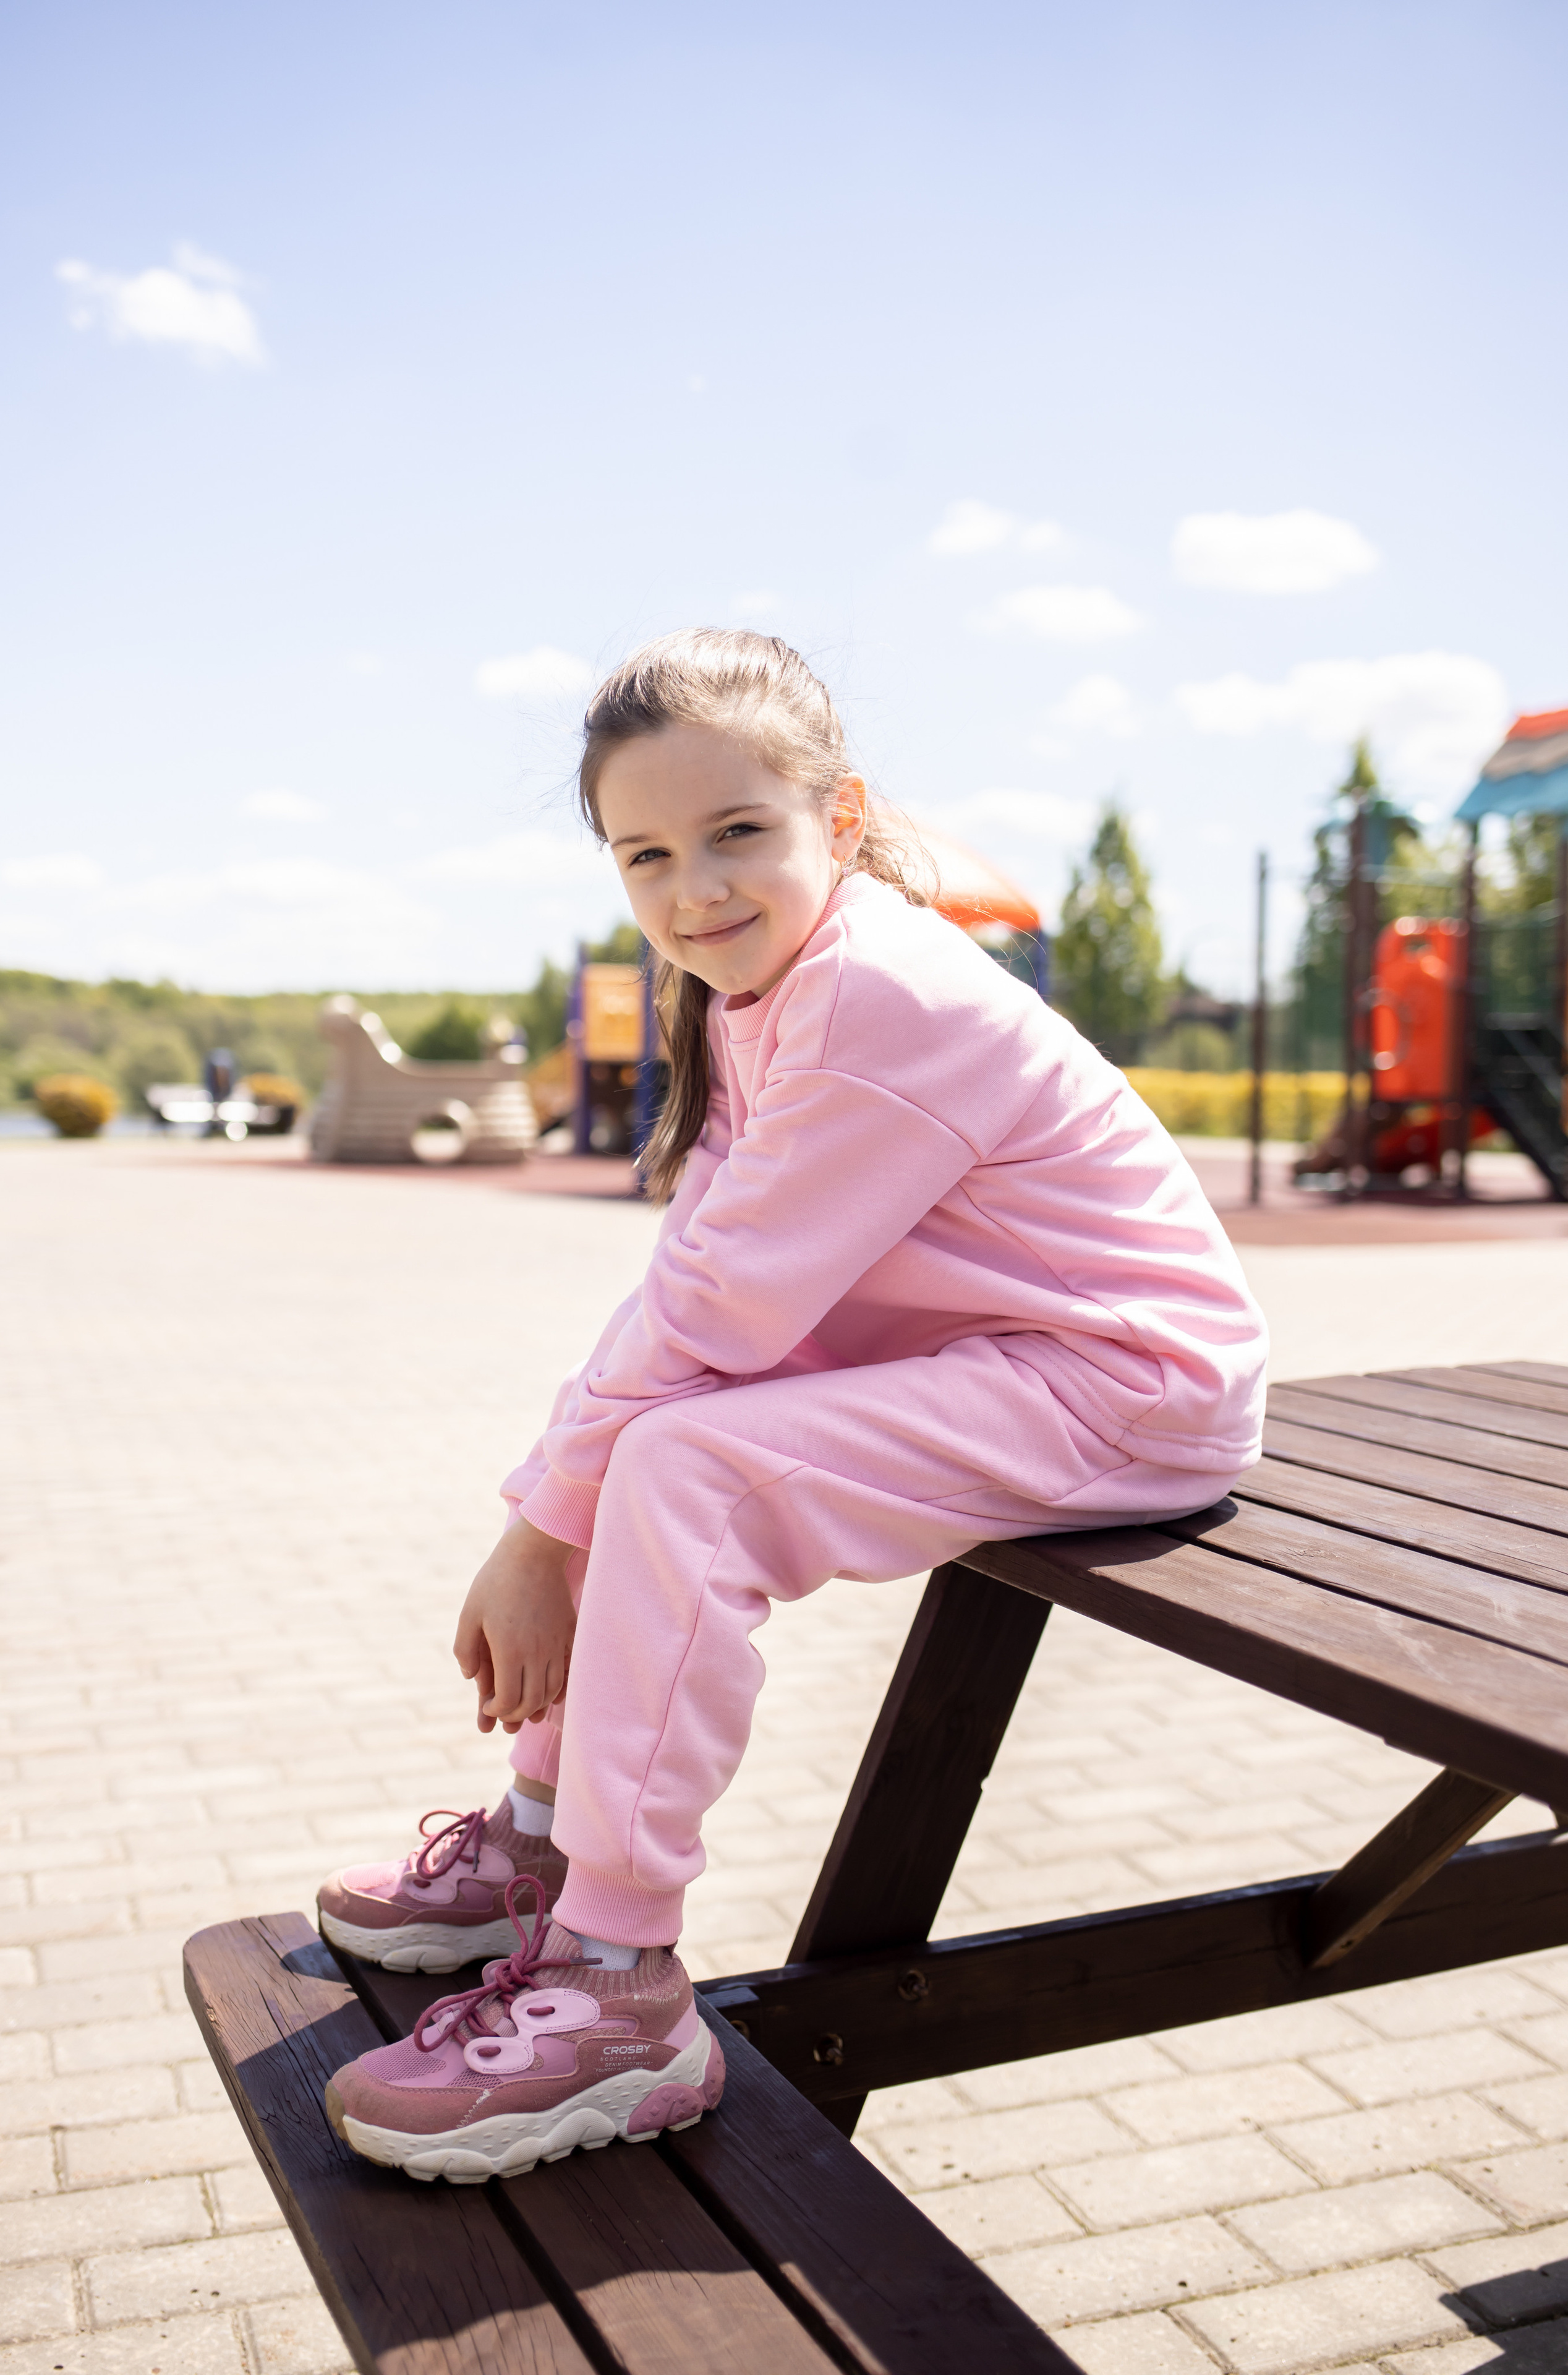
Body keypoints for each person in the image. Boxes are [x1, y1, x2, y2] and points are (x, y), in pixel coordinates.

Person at [319, 629, 1268, 2182]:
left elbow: (717, 1316)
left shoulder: (880, 995)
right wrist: (548, 1502)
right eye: (645, 854)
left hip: (1123, 1382)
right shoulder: (749, 991)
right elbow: (686, 1282)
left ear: (841, 815)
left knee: (683, 1469)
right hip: (996, 1347)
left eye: (736, 831)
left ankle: (619, 1985)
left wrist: (537, 1533)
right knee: (643, 1440)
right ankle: (546, 1837)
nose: (693, 888)